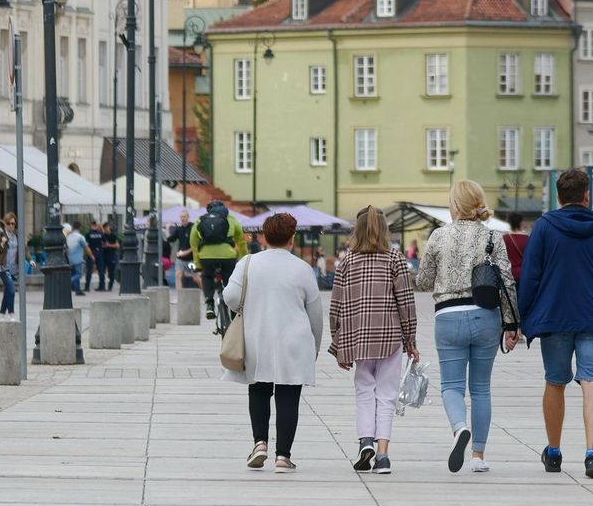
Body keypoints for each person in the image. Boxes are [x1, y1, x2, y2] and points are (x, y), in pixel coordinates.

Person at [518, 167, 593, 481]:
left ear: (558, 196)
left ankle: (553, 451)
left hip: (554, 316)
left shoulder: (544, 227)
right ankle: (592, 453)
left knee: (555, 382)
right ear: (586, 195)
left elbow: (530, 276)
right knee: (592, 381)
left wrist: (521, 317)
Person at [416, 180, 519, 474]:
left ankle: (460, 427)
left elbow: (422, 281)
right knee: (481, 389)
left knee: (451, 386)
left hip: (448, 317)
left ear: (454, 204)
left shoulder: (438, 236)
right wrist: (512, 325)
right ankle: (478, 456)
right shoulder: (492, 237)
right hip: (486, 316)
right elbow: (507, 283)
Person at [222, 212, 324, 473]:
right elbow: (315, 315)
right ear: (292, 238)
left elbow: (230, 297)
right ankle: (283, 456)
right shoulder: (302, 268)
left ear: (264, 237)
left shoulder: (247, 263)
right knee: (289, 396)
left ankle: (259, 444)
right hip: (294, 340)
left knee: (258, 389)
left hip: (257, 336)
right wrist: (313, 349)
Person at [329, 206, 418, 476]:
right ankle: (382, 455)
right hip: (389, 336)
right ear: (384, 229)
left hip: (358, 337)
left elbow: (336, 306)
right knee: (387, 395)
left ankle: (365, 440)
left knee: (364, 391)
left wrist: (338, 344)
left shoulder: (347, 261)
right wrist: (410, 339)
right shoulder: (394, 258)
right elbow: (406, 302)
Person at [191, 200, 247, 320]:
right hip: (227, 257)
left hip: (206, 257)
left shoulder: (201, 219)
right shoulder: (231, 219)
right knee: (231, 281)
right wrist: (244, 257)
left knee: (206, 276)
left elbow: (193, 241)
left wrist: (197, 263)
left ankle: (209, 304)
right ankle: (234, 311)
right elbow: (241, 241)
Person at [0, 213, 20, 319]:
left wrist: (30, 260)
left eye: (13, 223)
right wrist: (2, 244)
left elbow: (23, 250)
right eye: (9, 223)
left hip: (13, 269)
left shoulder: (17, 236)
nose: (11, 225)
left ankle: (2, 313)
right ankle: (11, 313)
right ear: (5, 224)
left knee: (8, 290)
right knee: (11, 289)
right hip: (2, 267)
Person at [167, 211, 199, 292]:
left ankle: (206, 295)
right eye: (181, 217)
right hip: (180, 258)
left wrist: (186, 252)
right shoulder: (179, 229)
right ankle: (179, 296)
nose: (182, 219)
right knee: (178, 275)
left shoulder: (192, 227)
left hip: (191, 258)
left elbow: (196, 244)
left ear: (188, 217)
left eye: (184, 217)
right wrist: (167, 228)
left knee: (195, 278)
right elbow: (170, 239)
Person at [66, 221, 93, 297]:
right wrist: (92, 256)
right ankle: (68, 282)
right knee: (79, 274)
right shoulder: (80, 237)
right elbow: (86, 247)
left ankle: (78, 290)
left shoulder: (69, 236)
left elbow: (67, 248)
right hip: (78, 259)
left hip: (70, 259)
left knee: (74, 274)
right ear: (80, 227)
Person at [502, 212, 529, 286]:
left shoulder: (504, 238)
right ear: (520, 223)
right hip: (524, 274)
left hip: (508, 274)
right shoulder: (527, 238)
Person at [85, 221, 106, 291]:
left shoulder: (88, 234)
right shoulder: (100, 233)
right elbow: (105, 243)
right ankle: (102, 287)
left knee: (89, 271)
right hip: (99, 253)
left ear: (91, 225)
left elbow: (86, 245)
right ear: (96, 225)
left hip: (91, 253)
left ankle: (87, 287)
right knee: (101, 271)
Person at [102, 222, 120, 292]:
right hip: (104, 255)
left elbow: (117, 245)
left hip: (112, 255)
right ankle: (102, 286)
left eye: (107, 227)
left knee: (111, 272)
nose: (106, 229)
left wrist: (108, 245)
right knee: (102, 272)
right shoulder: (102, 236)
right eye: (105, 228)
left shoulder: (113, 236)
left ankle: (110, 286)